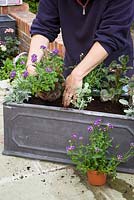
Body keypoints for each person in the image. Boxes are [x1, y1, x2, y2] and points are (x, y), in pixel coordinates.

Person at [26, 0, 134, 107]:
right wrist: (32, 65)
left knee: (111, 117)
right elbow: (44, 26)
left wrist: (78, 74)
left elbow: (111, 36)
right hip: (73, 68)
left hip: (114, 76)